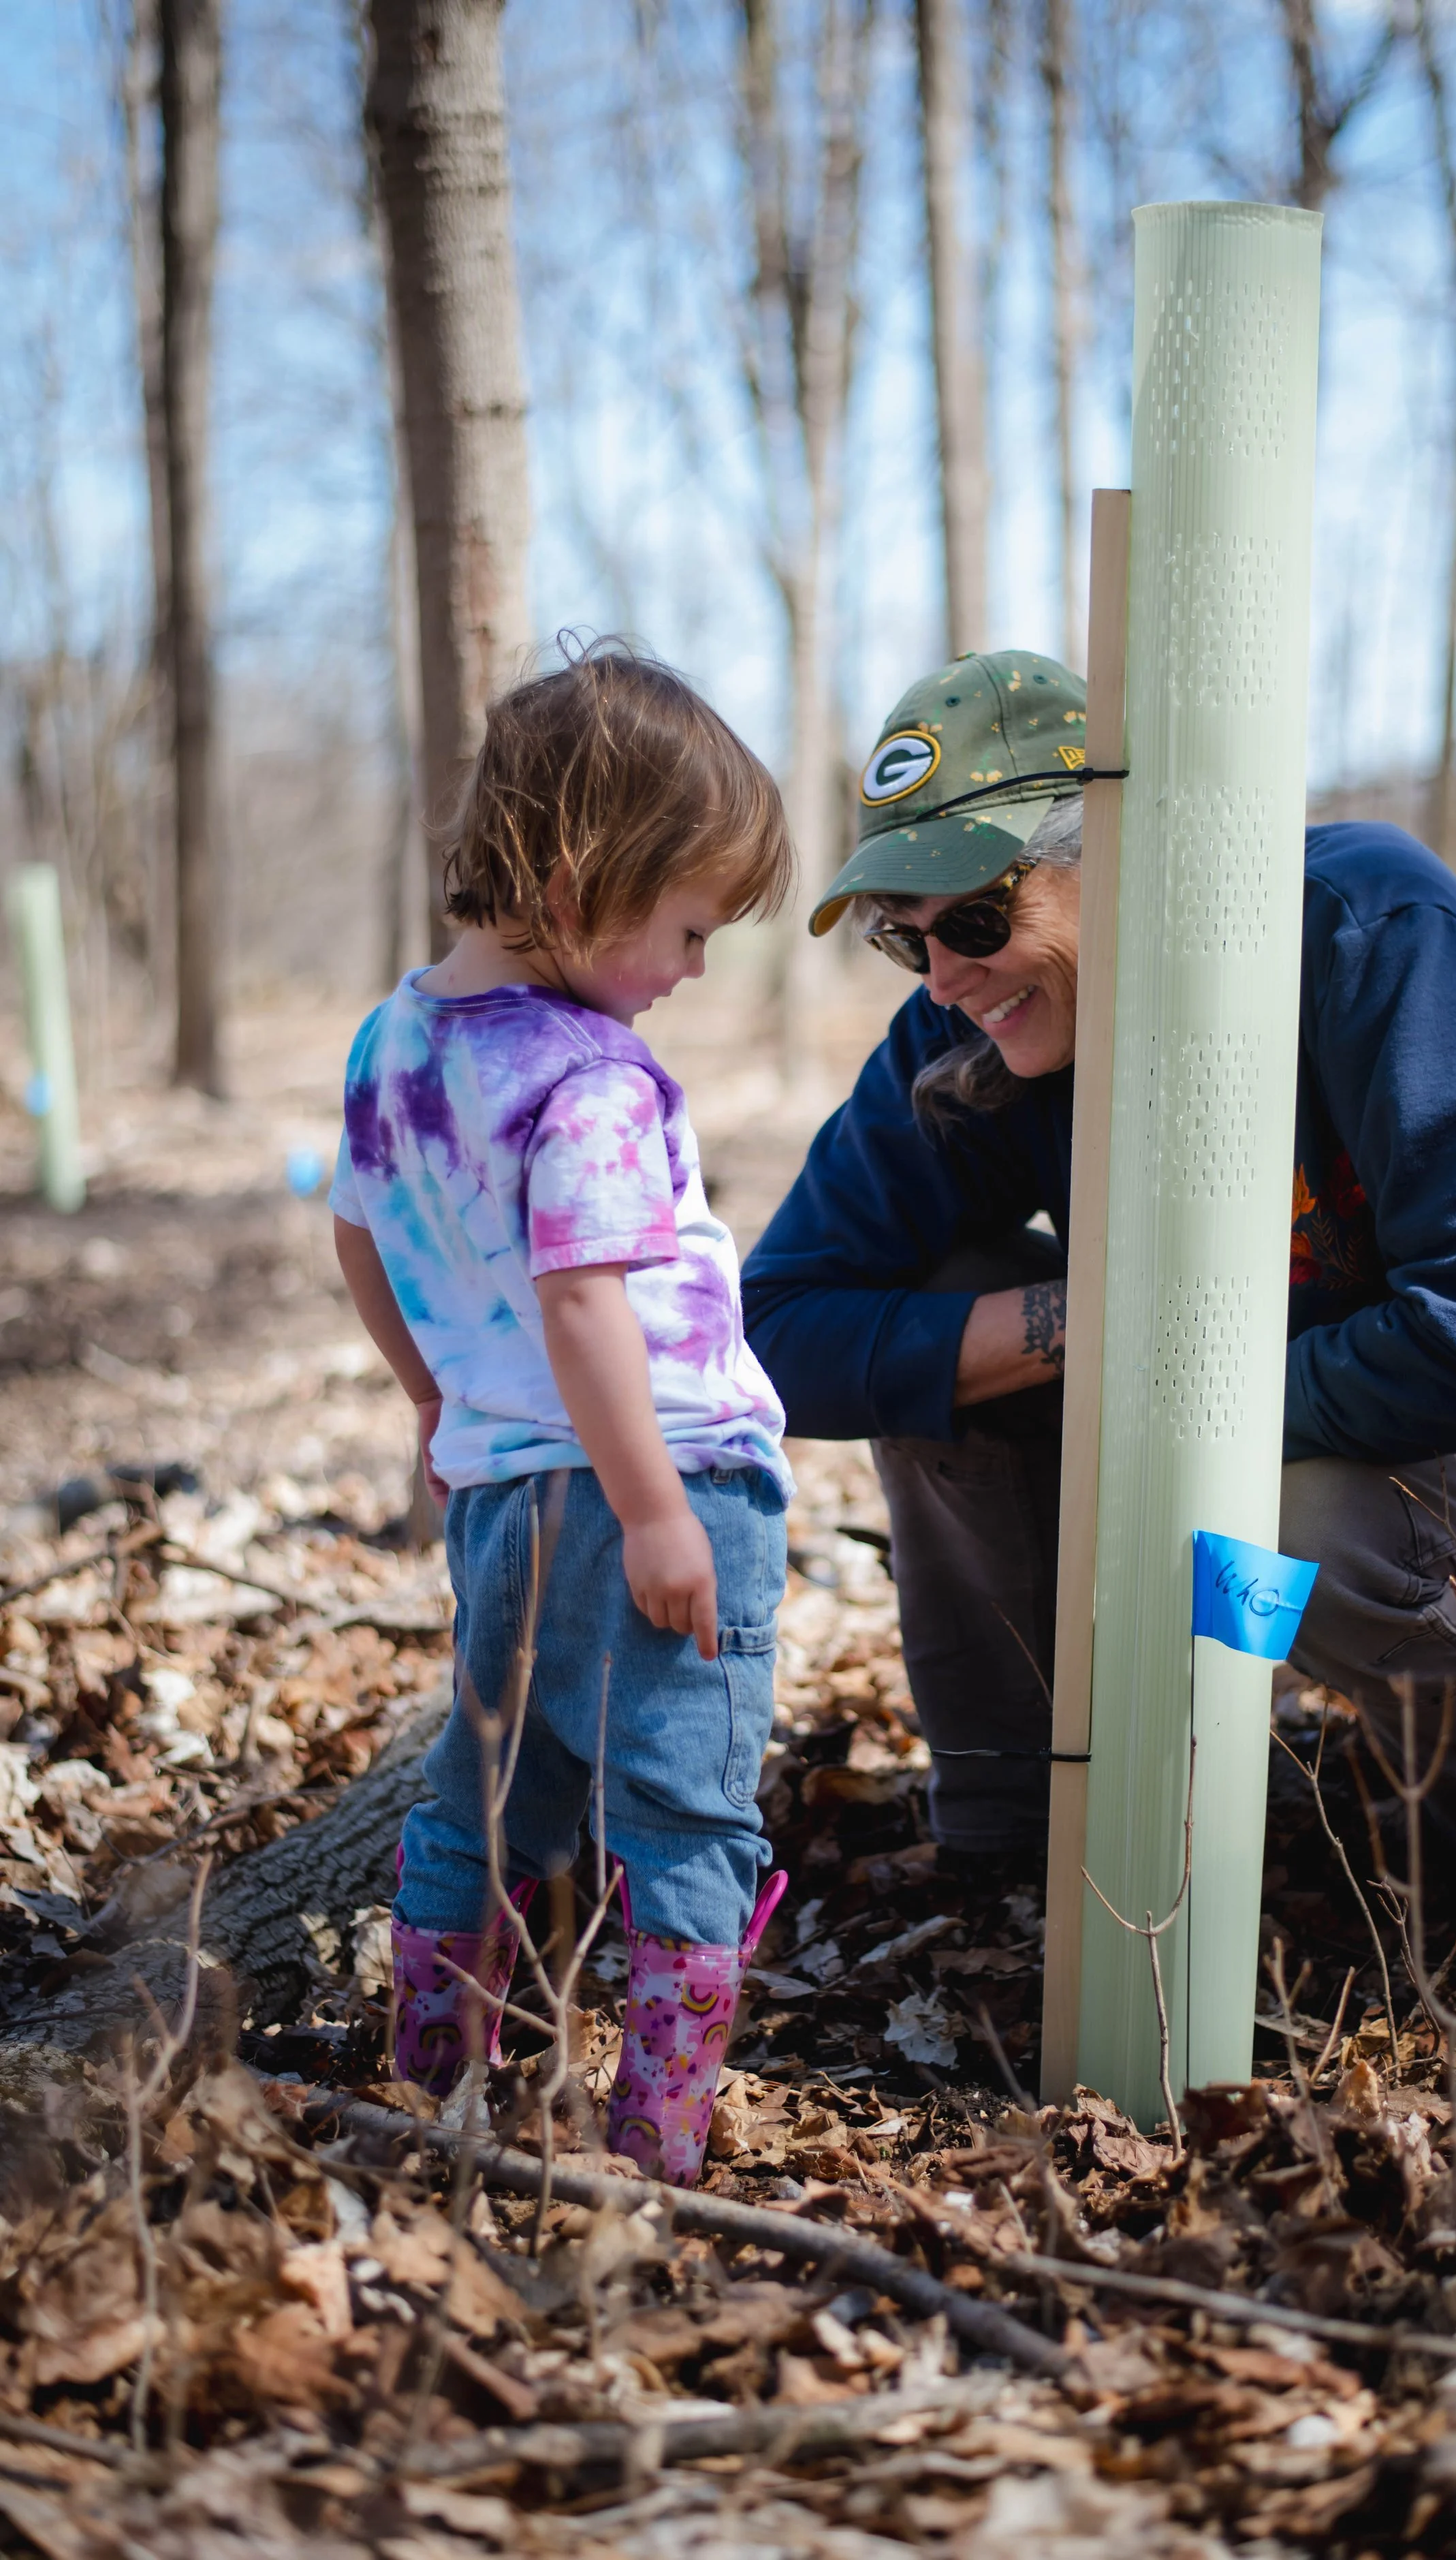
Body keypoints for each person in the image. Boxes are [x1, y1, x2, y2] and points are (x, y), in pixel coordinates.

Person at [742, 648, 1456, 1884]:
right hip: (1339, 1451)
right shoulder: (969, 1027)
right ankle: (1027, 1842)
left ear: (1115, 847)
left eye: (978, 917)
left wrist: (1189, 1409)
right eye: (901, 937)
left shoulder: (1364, 930)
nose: (943, 974)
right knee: (952, 1317)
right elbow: (774, 1330)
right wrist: (1079, 1323)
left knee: (1305, 1521)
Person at [332, 640, 794, 2185]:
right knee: (678, 1794)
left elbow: (358, 1236)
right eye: (684, 925)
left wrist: (430, 1392)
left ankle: (435, 2084)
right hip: (666, 1475)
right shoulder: (594, 1076)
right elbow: (586, 1298)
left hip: (500, 1487)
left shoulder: (392, 1045)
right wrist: (661, 1506)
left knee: (490, 1777)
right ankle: (656, 2145)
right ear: (581, 875)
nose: (692, 968)